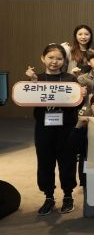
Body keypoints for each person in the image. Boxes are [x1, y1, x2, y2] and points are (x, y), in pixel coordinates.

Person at [25, 44, 81, 215]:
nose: (54, 61)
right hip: (44, 128)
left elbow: (77, 104)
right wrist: (32, 83)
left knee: (67, 162)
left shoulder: (70, 79)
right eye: (50, 57)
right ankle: (48, 197)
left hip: (66, 128)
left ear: (64, 60)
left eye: (59, 58)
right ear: (43, 58)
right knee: (45, 162)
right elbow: (28, 98)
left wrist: (81, 95)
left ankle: (68, 196)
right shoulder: (38, 78)